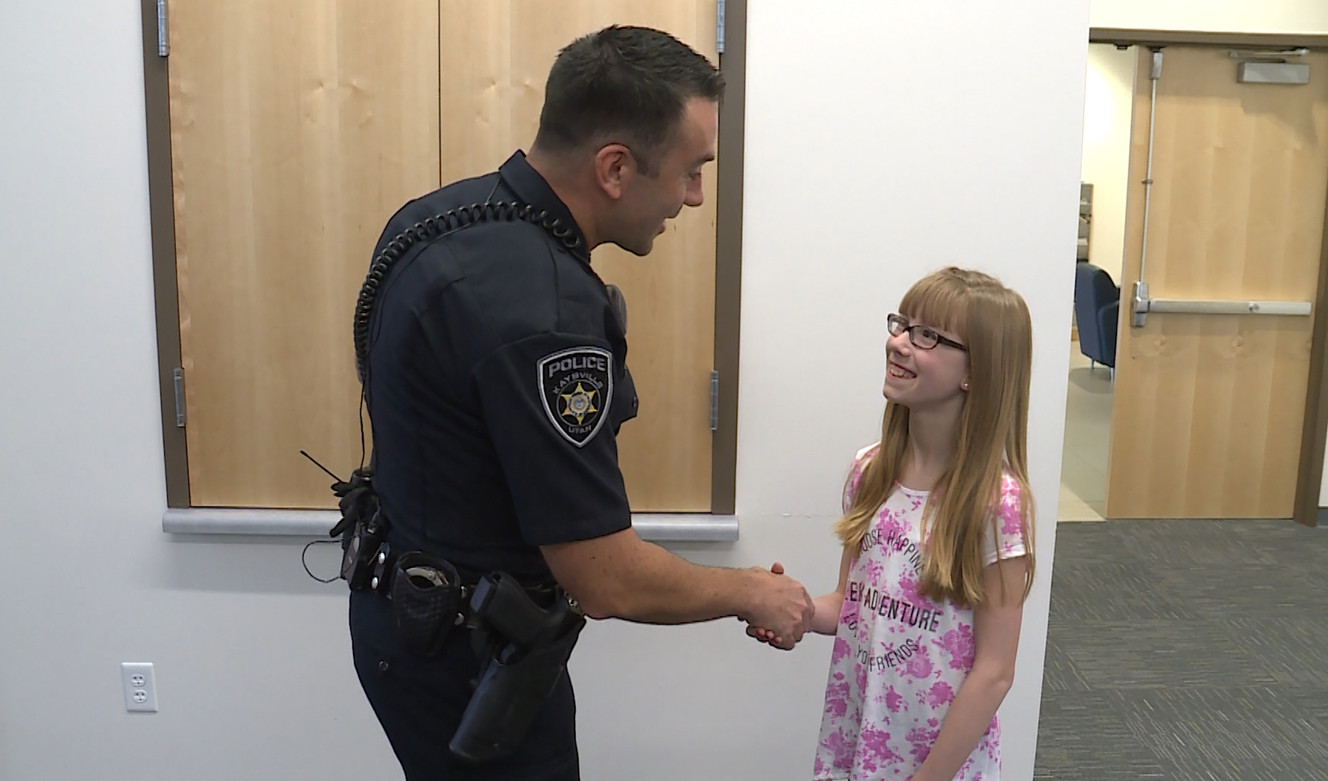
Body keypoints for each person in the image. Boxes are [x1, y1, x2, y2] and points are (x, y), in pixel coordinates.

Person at [346, 25, 814, 781]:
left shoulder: (435, 216)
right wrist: (750, 591)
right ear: (615, 168)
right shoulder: (548, 314)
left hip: (402, 620)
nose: (695, 196)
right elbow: (606, 576)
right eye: (691, 171)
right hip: (469, 666)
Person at [753, 267, 1036, 780]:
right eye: (901, 325)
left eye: (926, 335)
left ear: (976, 372)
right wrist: (794, 611)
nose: (898, 343)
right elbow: (853, 604)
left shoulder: (997, 504)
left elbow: (995, 672)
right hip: (859, 748)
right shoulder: (871, 472)